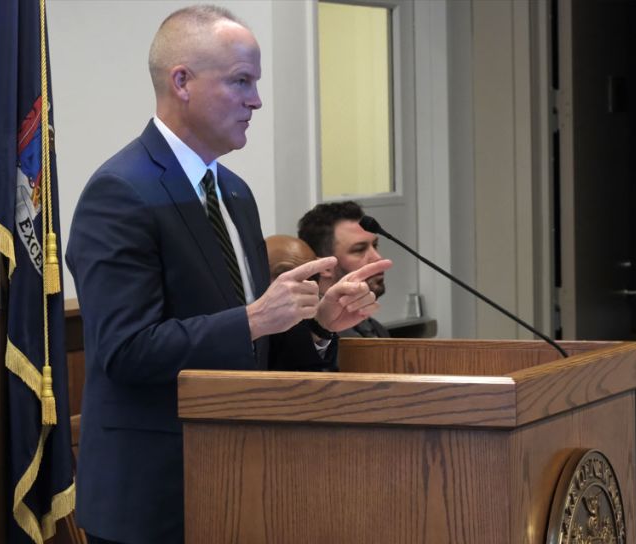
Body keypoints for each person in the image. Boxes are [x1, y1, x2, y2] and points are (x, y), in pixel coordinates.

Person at [65, 6, 391, 543]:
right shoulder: (119, 193)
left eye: (256, 83)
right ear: (182, 82)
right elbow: (124, 351)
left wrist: (318, 323)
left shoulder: (234, 192)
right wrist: (253, 318)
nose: (256, 100)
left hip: (241, 483)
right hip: (155, 497)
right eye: (241, 81)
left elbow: (253, 343)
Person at [298, 201, 390, 338]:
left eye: (375, 245)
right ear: (325, 267)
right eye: (359, 250)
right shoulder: (308, 335)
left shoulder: (375, 328)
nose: (378, 258)